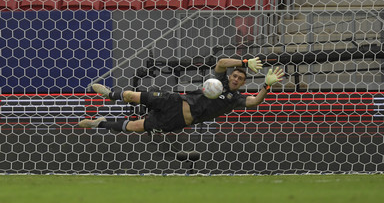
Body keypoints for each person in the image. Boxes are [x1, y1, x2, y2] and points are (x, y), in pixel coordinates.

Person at [78, 57, 284, 135]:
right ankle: (111, 95)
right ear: (231, 76)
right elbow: (221, 62)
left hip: (176, 119)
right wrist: (245, 62)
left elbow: (255, 101)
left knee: (135, 127)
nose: (237, 79)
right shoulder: (219, 81)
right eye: (235, 75)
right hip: (175, 100)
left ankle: (100, 124)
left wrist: (266, 85)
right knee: (134, 95)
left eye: (241, 78)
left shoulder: (235, 99)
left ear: (243, 83)